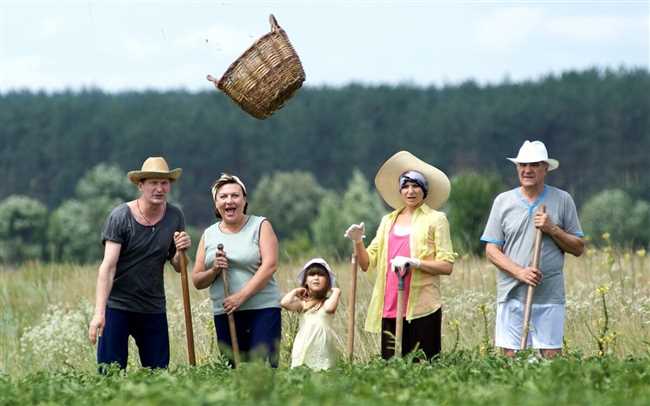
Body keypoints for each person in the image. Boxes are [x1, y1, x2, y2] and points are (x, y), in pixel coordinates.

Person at [345, 151, 456, 360]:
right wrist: (358, 241)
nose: (410, 191)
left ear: (424, 190)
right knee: (391, 368)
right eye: (405, 186)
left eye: (416, 186)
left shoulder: (436, 219)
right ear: (400, 191)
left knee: (424, 364)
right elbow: (366, 263)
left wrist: (415, 263)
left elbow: (447, 265)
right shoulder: (388, 221)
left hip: (422, 306)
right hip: (391, 304)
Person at [481, 140, 585, 358]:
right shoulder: (503, 201)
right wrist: (521, 272)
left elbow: (578, 247)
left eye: (535, 165)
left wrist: (552, 229)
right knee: (511, 358)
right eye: (523, 165)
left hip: (549, 294)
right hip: (511, 293)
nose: (527, 170)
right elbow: (491, 249)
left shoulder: (562, 199)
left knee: (550, 358)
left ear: (545, 168)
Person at [88, 156, 191, 371]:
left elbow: (178, 265)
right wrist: (99, 313)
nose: (159, 188)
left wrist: (183, 250)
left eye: (164, 183)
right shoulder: (120, 217)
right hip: (118, 306)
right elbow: (107, 267)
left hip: (153, 307)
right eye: (153, 183)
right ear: (140, 185)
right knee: (110, 374)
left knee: (158, 374)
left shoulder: (175, 216)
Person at [192, 173, 282, 367]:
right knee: (232, 370)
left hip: (263, 309)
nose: (229, 201)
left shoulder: (260, 225)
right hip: (225, 312)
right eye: (223, 197)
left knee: (262, 368)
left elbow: (270, 266)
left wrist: (240, 297)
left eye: (235, 195)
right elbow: (197, 280)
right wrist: (215, 269)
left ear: (244, 200)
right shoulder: (209, 234)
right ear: (216, 204)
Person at [281, 258, 341, 370]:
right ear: (306, 281)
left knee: (323, 375)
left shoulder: (326, 302)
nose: (316, 278)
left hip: (322, 350)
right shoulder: (303, 305)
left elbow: (329, 308)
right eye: (312, 275)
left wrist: (336, 292)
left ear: (328, 281)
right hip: (303, 347)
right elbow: (284, 303)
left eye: (321, 275)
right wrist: (295, 291)